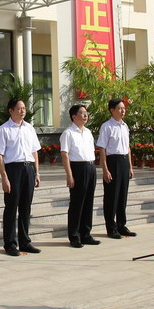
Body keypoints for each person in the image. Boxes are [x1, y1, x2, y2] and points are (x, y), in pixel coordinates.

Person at [0, 98, 41, 256]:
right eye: (19, 108)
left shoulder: (29, 128)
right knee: (11, 207)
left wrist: (37, 172)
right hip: (13, 170)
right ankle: (10, 244)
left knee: (25, 207)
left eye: (24, 108)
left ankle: (25, 242)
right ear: (11, 110)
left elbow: (34, 151)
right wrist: (4, 177)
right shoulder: (4, 129)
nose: (22, 111)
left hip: (29, 169)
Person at [60, 104, 100, 248]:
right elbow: (64, 155)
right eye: (82, 113)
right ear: (74, 116)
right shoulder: (68, 133)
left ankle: (86, 234)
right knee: (77, 203)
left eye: (86, 113)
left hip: (90, 167)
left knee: (88, 202)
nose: (85, 115)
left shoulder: (88, 132)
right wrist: (69, 175)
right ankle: (74, 236)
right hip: (78, 168)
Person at [97, 98, 136, 239]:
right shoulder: (106, 126)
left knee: (122, 196)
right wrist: (105, 169)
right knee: (111, 197)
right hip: (113, 162)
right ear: (112, 110)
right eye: (119, 108)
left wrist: (130, 166)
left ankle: (121, 225)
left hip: (124, 161)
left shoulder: (125, 126)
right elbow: (102, 149)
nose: (122, 111)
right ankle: (111, 227)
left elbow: (128, 147)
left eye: (124, 108)